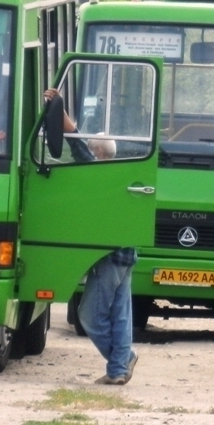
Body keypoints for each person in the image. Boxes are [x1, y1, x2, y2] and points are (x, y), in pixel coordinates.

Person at [44, 88, 138, 385]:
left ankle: (121, 362)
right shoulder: (121, 177)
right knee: (120, 316)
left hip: (108, 256)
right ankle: (119, 369)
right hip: (127, 254)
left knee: (89, 317)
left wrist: (58, 109)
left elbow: (76, 144)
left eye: (90, 149)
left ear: (98, 153)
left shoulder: (97, 174)